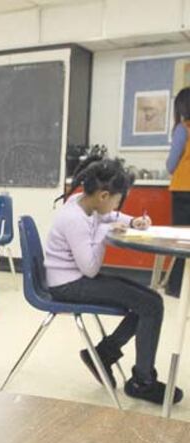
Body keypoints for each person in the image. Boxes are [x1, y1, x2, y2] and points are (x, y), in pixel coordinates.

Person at [45, 156, 183, 405]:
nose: (118, 206)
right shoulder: (74, 219)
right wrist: (104, 234)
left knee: (150, 301)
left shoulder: (84, 204)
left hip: (74, 278)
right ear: (104, 195)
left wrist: (131, 221)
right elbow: (89, 268)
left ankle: (105, 353)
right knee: (151, 305)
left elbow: (108, 217)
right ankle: (142, 381)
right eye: (118, 200)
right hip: (69, 285)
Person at [164, 87, 190, 297]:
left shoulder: (183, 129)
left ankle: (176, 287)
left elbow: (172, 165)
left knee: (182, 240)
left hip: (183, 190)